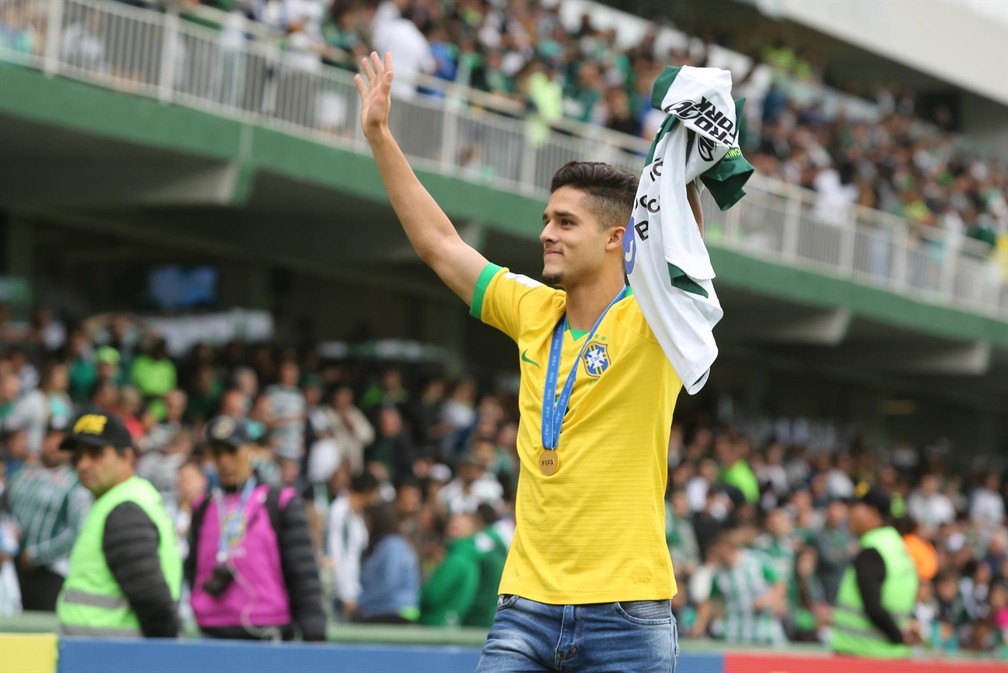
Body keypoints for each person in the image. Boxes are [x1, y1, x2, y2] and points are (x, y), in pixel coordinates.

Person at [357, 51, 696, 671]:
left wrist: (688, 157)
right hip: (525, 610)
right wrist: (380, 137)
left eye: (566, 222)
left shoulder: (656, 319)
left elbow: (684, 244)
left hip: (628, 615)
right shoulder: (532, 309)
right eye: (546, 219)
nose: (547, 233)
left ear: (617, 237)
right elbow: (440, 245)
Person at [185, 415, 326, 641]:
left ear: (251, 451)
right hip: (211, 631)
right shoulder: (203, 506)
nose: (225, 461)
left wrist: (314, 631)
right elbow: (192, 569)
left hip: (268, 630)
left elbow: (303, 572)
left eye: (232, 451)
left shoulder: (279, 502)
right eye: (217, 453)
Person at [55, 412, 180, 637]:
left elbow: (152, 600)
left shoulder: (124, 510)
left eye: (96, 454)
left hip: (114, 657)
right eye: (78, 456)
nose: (83, 465)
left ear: (127, 457)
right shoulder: (121, 500)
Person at [6, 419, 92, 611]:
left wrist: (37, 555)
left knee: (42, 630)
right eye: (51, 437)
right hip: (12, 567)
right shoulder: (22, 474)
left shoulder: (75, 483)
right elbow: (6, 509)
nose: (55, 444)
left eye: (61, 439)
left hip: (50, 572)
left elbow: (76, 531)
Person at [830, 482, 920, 658]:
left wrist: (899, 637)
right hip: (891, 656)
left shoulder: (873, 550)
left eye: (855, 507)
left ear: (872, 511)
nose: (849, 513)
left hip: (861, 655)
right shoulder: (896, 546)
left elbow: (873, 606)